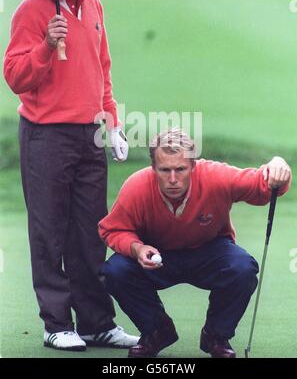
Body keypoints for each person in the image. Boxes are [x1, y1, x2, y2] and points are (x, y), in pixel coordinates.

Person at [3, 0, 138, 351]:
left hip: (91, 134)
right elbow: (15, 77)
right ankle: (56, 323)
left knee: (89, 231)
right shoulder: (32, 11)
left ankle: (96, 322)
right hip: (46, 135)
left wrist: (112, 122)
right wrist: (46, 45)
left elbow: (103, 70)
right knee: (49, 232)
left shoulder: (94, 3)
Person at [99, 128, 292, 358]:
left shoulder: (216, 176)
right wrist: (137, 248)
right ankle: (157, 330)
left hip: (209, 250)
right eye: (164, 170)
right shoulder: (137, 186)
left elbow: (262, 188)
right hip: (155, 254)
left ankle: (216, 336)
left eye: (180, 169)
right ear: (153, 168)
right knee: (115, 270)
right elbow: (113, 229)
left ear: (193, 166)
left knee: (242, 267)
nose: (172, 179)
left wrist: (279, 165)